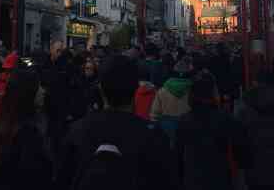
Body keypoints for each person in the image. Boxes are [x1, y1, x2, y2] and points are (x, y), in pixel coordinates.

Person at [55, 55, 177, 190]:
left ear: (100, 88)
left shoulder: (76, 131)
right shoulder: (154, 137)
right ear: (136, 88)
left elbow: (62, 179)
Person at [176, 72, 247, 190]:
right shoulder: (225, 118)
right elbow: (240, 149)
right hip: (219, 177)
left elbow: (178, 153)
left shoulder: (184, 120)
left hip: (193, 179)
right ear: (213, 93)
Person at [0, 67, 52, 190]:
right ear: (28, 93)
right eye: (38, 87)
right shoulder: (28, 135)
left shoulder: (7, 126)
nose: (42, 91)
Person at [150, 57, 193, 145]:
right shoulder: (193, 89)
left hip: (166, 125)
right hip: (188, 125)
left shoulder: (163, 90)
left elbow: (155, 113)